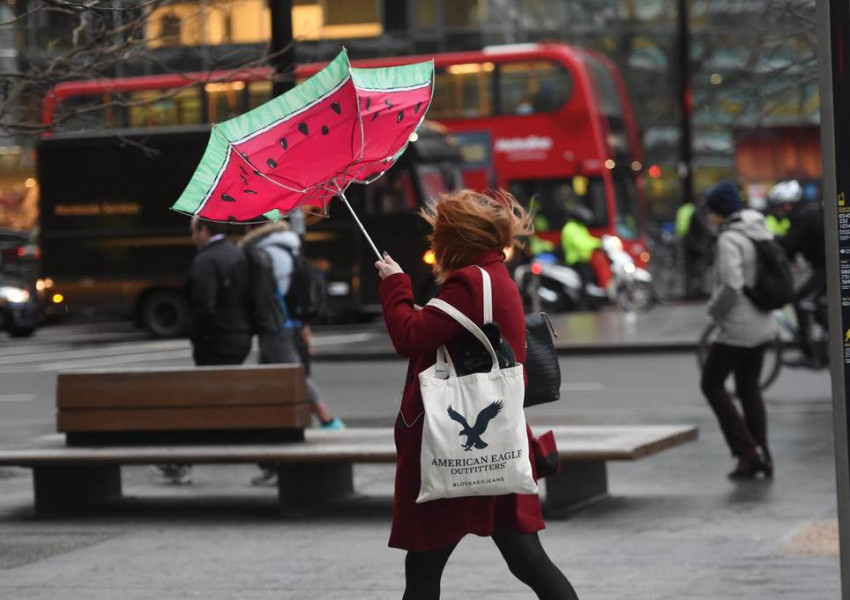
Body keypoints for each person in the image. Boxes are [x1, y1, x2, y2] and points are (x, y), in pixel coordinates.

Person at [374, 190, 580, 600]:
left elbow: (409, 336)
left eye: (439, 233)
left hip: (451, 448)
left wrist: (395, 284)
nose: (433, 241)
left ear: (456, 239)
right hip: (496, 442)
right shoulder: (492, 276)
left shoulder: (469, 281)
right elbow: (444, 329)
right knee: (525, 556)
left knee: (424, 563)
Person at [240, 220, 344, 487]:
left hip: (277, 329)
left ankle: (329, 421)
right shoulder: (290, 248)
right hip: (295, 326)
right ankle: (273, 463)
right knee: (270, 392)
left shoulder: (264, 254)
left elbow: (264, 296)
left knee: (293, 376)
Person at [153, 216, 252, 485]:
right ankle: (181, 461)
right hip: (239, 335)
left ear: (203, 230)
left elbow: (203, 306)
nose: (192, 237)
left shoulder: (206, 260)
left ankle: (181, 462)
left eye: (193, 231)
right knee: (221, 402)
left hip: (215, 341)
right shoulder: (237, 253)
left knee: (206, 402)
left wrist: (197, 336)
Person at [700, 181, 776, 480]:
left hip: (738, 326)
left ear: (720, 211)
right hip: (763, 321)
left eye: (711, 211)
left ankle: (747, 451)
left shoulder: (729, 239)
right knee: (748, 388)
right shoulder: (758, 228)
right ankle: (762, 455)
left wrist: (714, 310)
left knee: (711, 384)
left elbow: (731, 284)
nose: (708, 216)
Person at [768, 179, 827, 367]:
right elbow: (792, 249)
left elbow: (788, 245)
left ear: (788, 203)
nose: (779, 212)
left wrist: (769, 246)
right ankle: (828, 338)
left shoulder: (803, 216)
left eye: (780, 207)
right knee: (811, 301)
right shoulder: (806, 213)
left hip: (826, 267)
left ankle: (811, 353)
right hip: (821, 266)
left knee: (802, 301)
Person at [560, 205, 601, 307]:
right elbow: (580, 243)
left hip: (584, 259)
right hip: (575, 260)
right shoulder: (570, 228)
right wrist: (597, 244)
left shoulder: (580, 227)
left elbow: (587, 239)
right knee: (584, 282)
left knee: (590, 278)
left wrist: (600, 241)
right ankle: (583, 304)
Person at [676, 195, 713, 299]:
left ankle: (689, 291)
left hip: (685, 241)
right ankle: (697, 291)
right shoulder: (695, 211)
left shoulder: (683, 209)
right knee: (698, 268)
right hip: (695, 244)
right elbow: (702, 226)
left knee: (688, 268)